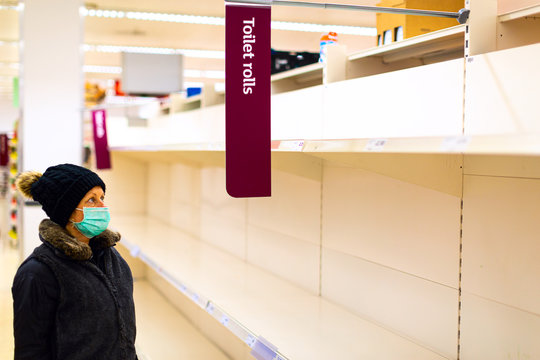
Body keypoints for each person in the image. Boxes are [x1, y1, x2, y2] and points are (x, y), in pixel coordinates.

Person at [12, 163, 137, 360]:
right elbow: (30, 351)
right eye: (91, 200)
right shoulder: (38, 273)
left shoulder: (114, 259)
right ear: (67, 211)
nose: (102, 207)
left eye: (102, 198)